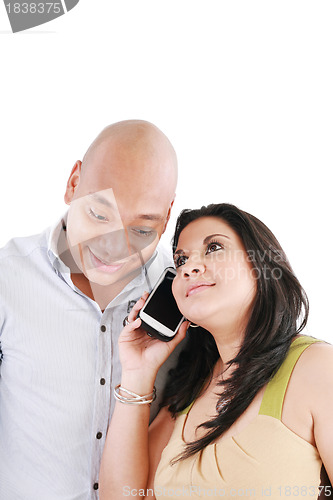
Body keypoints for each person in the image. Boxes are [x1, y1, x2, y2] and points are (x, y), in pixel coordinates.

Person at [99, 203, 333, 499]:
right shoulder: (186, 393)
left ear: (261, 267)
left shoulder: (317, 367)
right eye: (181, 260)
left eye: (213, 248)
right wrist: (137, 373)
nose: (189, 268)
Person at [0, 120, 182, 499]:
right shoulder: (7, 277)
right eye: (100, 215)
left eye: (142, 230)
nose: (115, 248)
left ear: (167, 217)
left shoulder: (184, 292)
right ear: (73, 182)